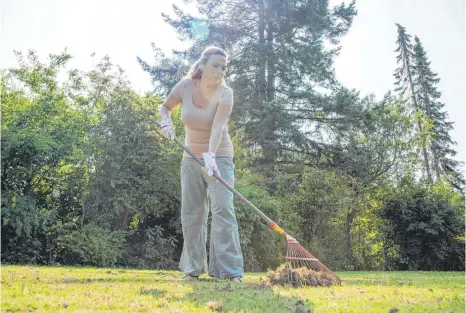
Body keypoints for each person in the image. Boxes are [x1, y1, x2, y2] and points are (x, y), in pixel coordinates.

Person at [159, 46, 244, 283]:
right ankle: (193, 269)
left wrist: (211, 156)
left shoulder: (225, 93)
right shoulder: (185, 86)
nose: (220, 70)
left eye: (224, 67)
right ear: (203, 64)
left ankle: (230, 272)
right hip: (190, 159)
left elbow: (218, 126)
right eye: (216, 65)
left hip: (220, 157)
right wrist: (165, 122)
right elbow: (165, 107)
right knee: (192, 212)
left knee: (222, 209)